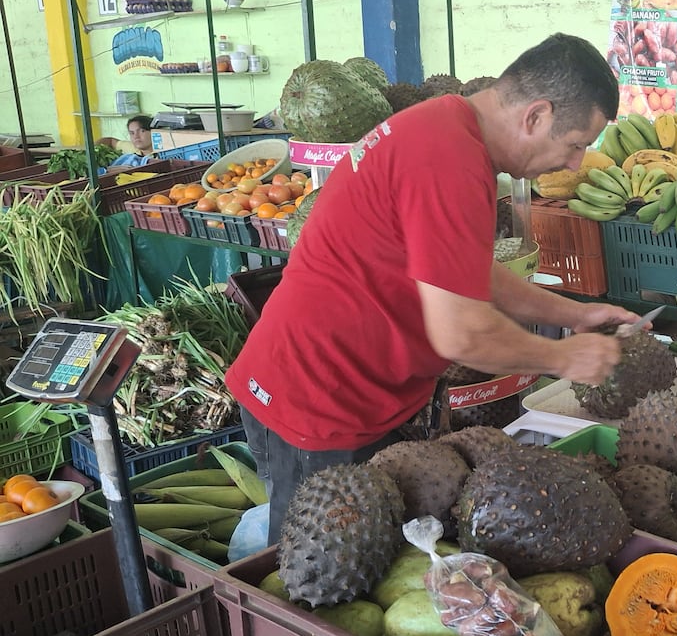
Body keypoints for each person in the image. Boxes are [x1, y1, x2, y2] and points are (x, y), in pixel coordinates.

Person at [225, 33, 643, 545]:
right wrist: (565, 358)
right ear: (536, 116)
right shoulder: (450, 157)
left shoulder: (450, 130)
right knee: (313, 578)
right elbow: (461, 335)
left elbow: (467, 272)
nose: (576, 163)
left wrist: (574, 314)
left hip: (343, 387)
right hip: (318, 398)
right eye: (576, 144)